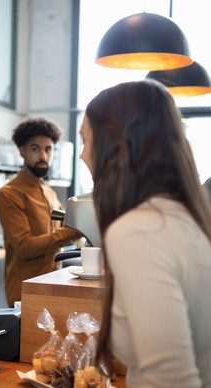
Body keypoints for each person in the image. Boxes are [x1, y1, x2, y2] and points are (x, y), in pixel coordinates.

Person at [80, 79, 211, 386]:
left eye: (86, 141)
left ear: (116, 146)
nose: (84, 156)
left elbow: (171, 380)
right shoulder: (186, 218)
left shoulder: (138, 233)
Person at [0, 117, 80, 306]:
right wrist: (73, 231)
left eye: (48, 149)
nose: (43, 156)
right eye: (35, 149)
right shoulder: (9, 194)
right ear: (22, 151)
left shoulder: (49, 192)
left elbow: (64, 226)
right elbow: (25, 247)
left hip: (53, 285)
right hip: (25, 292)